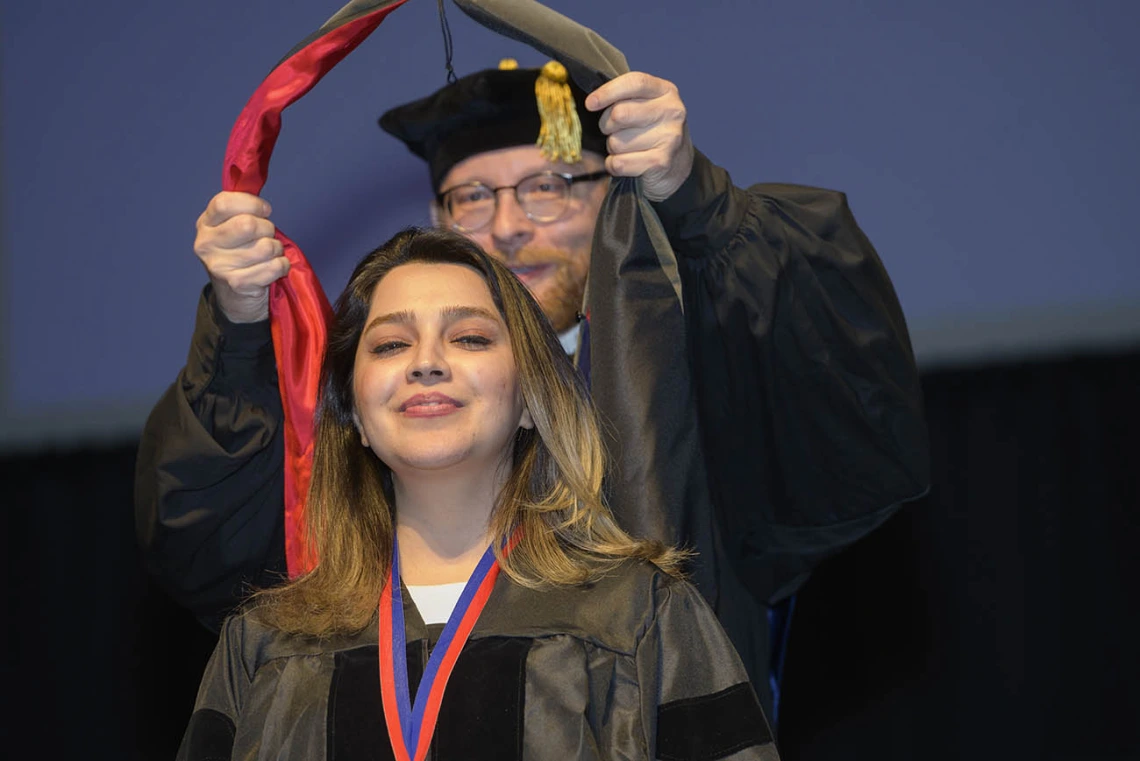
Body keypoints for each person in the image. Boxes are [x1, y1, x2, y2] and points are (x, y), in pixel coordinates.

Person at [137, 61, 929, 722]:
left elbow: (857, 424)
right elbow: (210, 551)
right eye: (472, 197)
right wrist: (240, 327)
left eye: (547, 185)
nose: (508, 226)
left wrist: (694, 199)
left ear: (612, 199)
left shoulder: (690, 373)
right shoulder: (388, 407)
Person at [176, 227, 780, 761]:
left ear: (528, 399)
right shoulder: (267, 642)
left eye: (468, 338)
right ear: (353, 413)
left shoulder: (639, 616)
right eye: (390, 345)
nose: (427, 363)